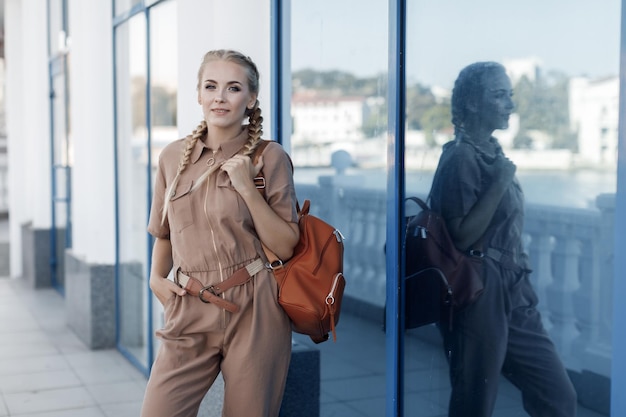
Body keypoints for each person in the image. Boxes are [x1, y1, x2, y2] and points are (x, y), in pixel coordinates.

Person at [140, 49, 300, 417]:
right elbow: (162, 232)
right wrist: (154, 277)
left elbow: (286, 246)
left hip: (256, 308)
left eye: (233, 88)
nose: (220, 97)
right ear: (198, 93)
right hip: (188, 305)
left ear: (251, 98)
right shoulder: (172, 157)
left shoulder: (269, 157)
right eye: (211, 86)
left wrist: (246, 186)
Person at [428, 61, 578, 417]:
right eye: (499, 95)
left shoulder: (491, 152)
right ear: (473, 103)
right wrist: (498, 183)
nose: (510, 104)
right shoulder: (460, 157)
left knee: (558, 396)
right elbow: (461, 237)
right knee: (474, 402)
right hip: (479, 290)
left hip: (513, 289)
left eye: (510, 95)